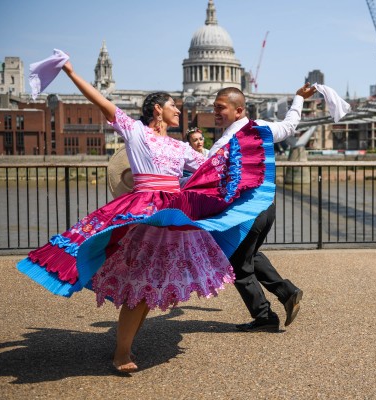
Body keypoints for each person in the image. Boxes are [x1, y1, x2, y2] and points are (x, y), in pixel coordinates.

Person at [17, 55, 275, 373]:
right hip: (143, 214)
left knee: (150, 287)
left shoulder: (182, 148)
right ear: (158, 110)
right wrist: (70, 72)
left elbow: (212, 170)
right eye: (172, 106)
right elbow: (101, 102)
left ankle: (124, 347)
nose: (178, 110)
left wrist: (250, 151)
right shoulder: (136, 133)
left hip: (171, 216)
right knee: (140, 286)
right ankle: (121, 353)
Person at [210, 84, 316, 332]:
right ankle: (287, 293)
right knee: (251, 254)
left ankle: (265, 316)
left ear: (238, 111)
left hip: (246, 213)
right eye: (214, 107)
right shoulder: (262, 127)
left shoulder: (224, 142)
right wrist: (298, 98)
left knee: (238, 264)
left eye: (220, 108)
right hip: (266, 207)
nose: (215, 112)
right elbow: (290, 126)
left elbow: (202, 173)